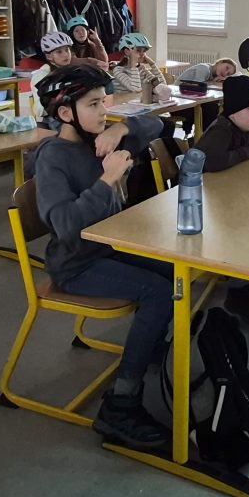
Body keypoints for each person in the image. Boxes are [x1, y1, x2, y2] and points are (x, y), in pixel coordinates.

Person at [32, 64, 172, 450]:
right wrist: (107, 179)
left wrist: (120, 129)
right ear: (65, 114)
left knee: (177, 269)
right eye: (94, 104)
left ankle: (151, 348)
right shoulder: (53, 158)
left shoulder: (100, 137)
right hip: (77, 264)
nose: (104, 110)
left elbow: (158, 125)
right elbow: (65, 224)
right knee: (159, 293)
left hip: (111, 247)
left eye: (105, 101)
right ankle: (120, 405)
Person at [192, 74, 249, 324]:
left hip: (226, 195)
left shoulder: (243, 127)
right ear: (232, 112)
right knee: (246, 229)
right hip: (203, 206)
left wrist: (242, 153)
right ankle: (238, 294)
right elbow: (215, 162)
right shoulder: (220, 131)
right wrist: (245, 153)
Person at [29, 31, 76, 124]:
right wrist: (58, 96)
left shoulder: (71, 71)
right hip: (54, 120)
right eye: (59, 52)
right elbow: (39, 110)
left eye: (67, 50)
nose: (66, 54)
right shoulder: (41, 75)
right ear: (49, 56)